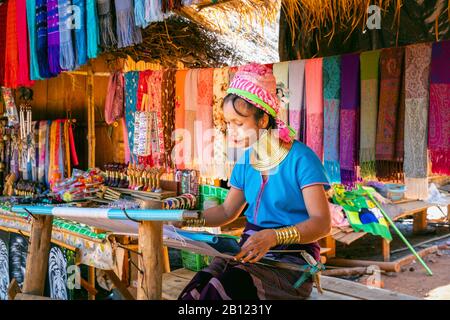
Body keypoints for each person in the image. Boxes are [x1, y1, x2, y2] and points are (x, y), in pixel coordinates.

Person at [178, 63, 331, 300]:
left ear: (262, 120)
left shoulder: (302, 159)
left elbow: (322, 224)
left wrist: (275, 236)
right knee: (199, 289)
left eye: (239, 123)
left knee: (225, 289)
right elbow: (227, 210)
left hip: (292, 261)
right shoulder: (246, 161)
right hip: (250, 251)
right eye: (228, 123)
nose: (232, 131)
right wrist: (182, 220)